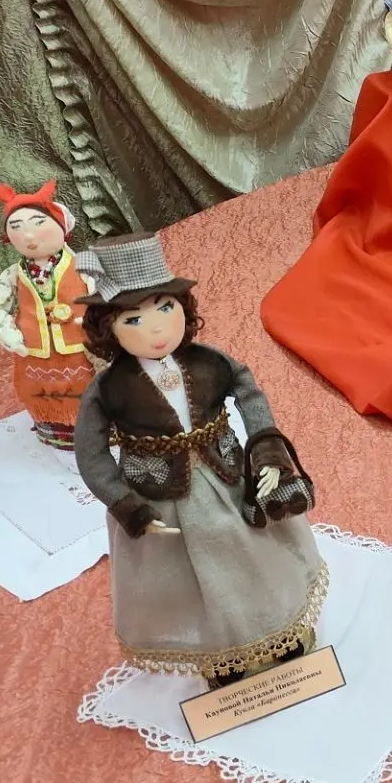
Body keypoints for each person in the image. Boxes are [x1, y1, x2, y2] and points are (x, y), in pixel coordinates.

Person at [72, 234, 325, 684]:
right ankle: (223, 655)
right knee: (191, 579)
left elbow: (248, 391)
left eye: (165, 308)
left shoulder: (210, 361)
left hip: (228, 478)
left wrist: (266, 449)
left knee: (255, 557)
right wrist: (126, 505)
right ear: (109, 328)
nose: (156, 329)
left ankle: (279, 631)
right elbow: (90, 453)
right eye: (134, 318)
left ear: (184, 308)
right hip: (160, 499)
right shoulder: (107, 389)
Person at [0, 180, 92, 448]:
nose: (29, 236)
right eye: (17, 227)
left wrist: (99, 322)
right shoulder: (13, 275)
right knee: (40, 392)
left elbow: (105, 296)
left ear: (62, 226)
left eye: (38, 223)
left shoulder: (84, 265)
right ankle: (55, 430)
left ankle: (96, 429)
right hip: (33, 352)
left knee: (89, 387)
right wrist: (10, 335)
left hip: (81, 345)